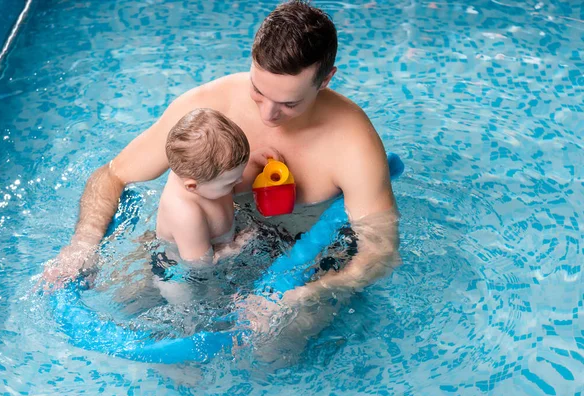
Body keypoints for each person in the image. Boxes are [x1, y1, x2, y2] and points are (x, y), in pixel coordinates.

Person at [43, 1, 399, 314]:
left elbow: (378, 253)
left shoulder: (352, 142)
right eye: (258, 92)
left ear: (324, 81)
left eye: (289, 103)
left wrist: (301, 297)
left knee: (272, 349)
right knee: (127, 303)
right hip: (203, 239)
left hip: (304, 256)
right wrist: (82, 247)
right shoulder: (209, 110)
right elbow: (112, 175)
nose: (268, 115)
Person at [156, 108, 249, 262]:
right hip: (174, 269)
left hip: (223, 240)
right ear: (192, 186)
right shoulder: (185, 214)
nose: (240, 180)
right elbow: (200, 266)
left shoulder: (200, 172)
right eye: (231, 182)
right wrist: (239, 245)